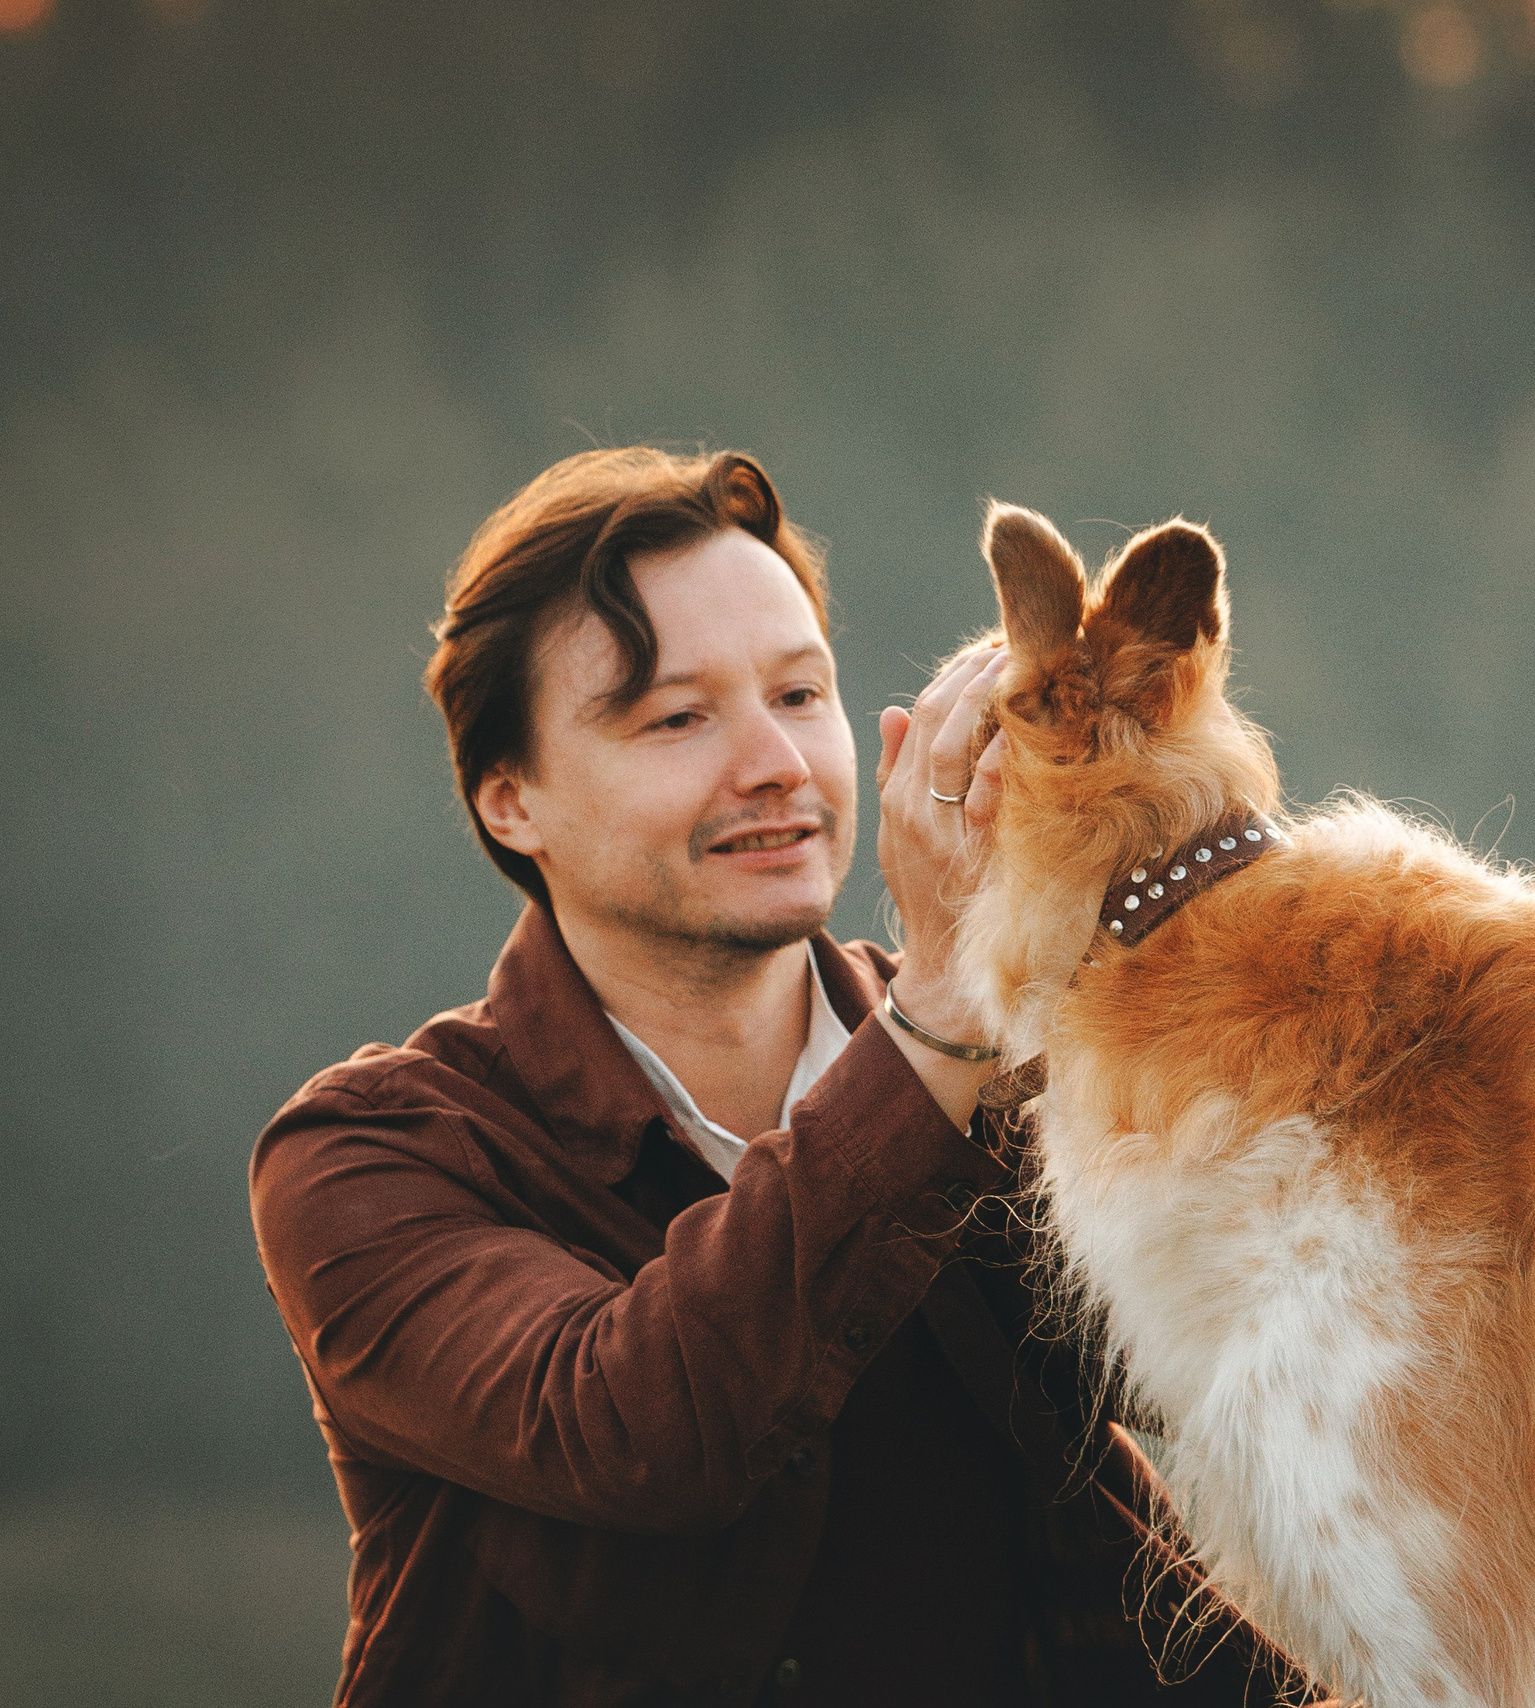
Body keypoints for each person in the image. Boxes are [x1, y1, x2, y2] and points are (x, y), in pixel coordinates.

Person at [249, 447, 1306, 1706]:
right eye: (677, 718)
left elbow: (1259, 1339)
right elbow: (638, 1429)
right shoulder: (368, 1157)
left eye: (801, 695)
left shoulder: (1021, 1065)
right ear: (509, 799)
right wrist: (940, 1013)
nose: (777, 764)